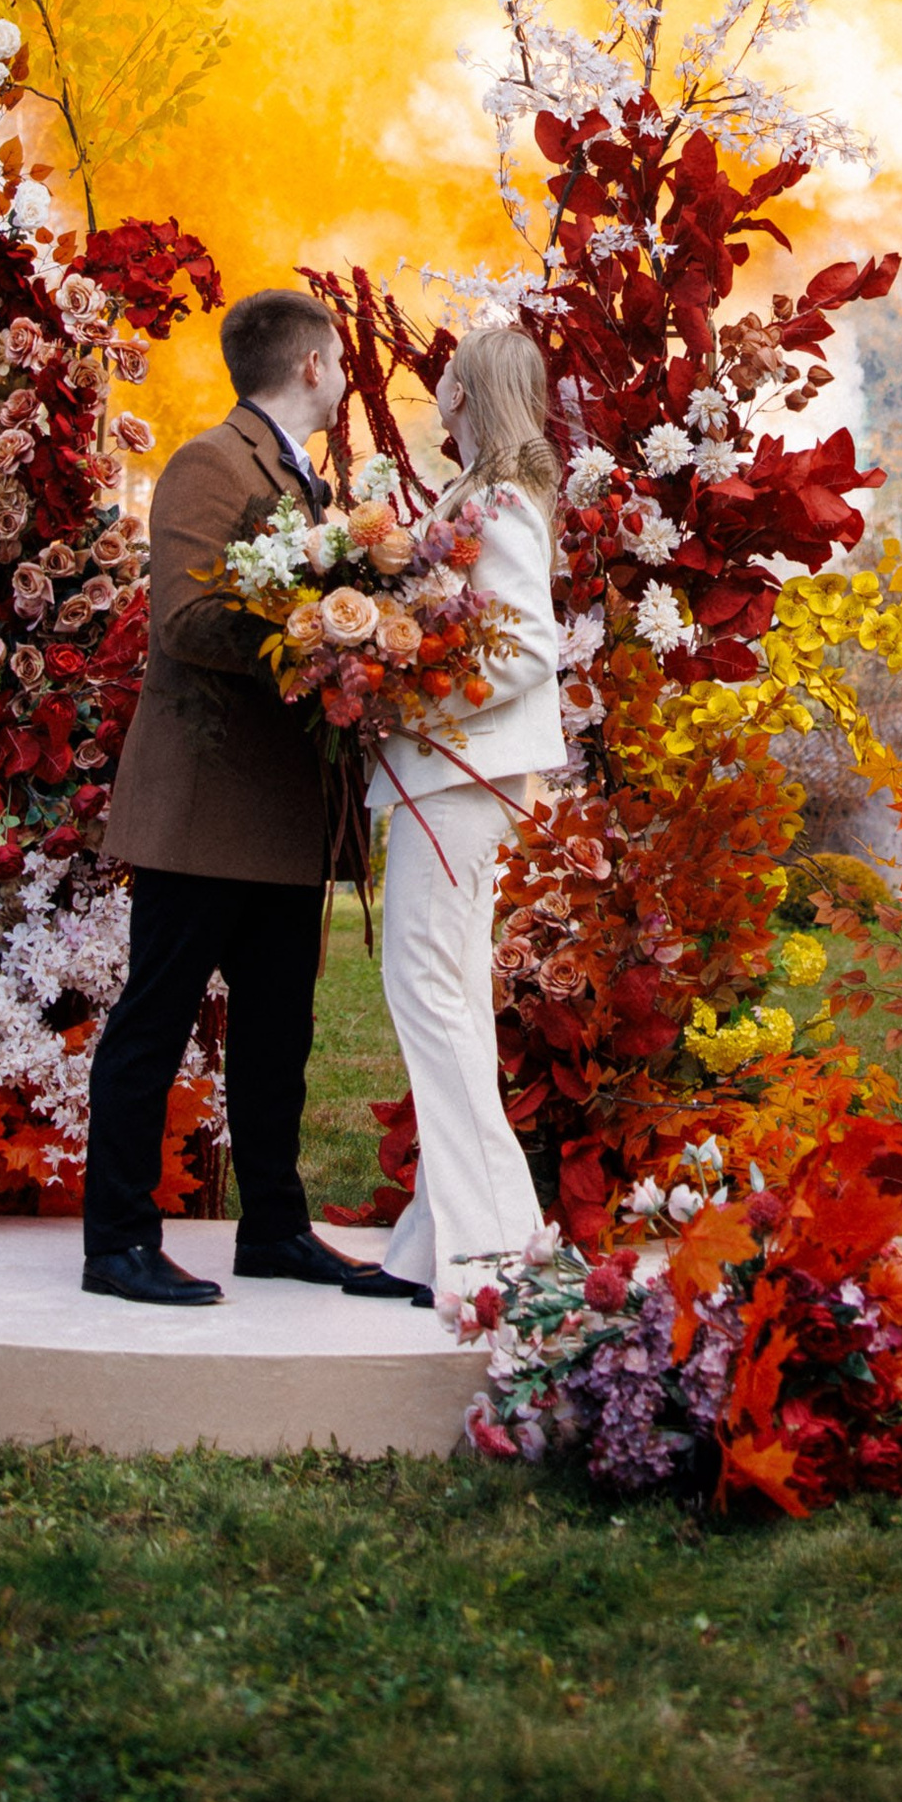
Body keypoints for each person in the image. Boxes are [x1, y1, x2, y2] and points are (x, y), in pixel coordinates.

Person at [81, 287, 392, 1308]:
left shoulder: (303, 478)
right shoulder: (211, 463)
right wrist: (319, 631)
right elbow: (185, 618)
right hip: (204, 809)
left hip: (281, 814)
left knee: (278, 1034)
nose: (344, 377)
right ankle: (116, 1243)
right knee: (155, 1021)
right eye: (338, 359)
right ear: (310, 365)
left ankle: (274, 1230)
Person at [364, 329, 558, 1306]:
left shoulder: (499, 504)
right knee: (448, 1001)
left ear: (471, 393)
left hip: (456, 779)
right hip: (449, 781)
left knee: (428, 993)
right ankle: (432, 1241)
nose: (435, 389)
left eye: (447, 378)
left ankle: (495, 1247)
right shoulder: (477, 495)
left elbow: (527, 646)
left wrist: (411, 694)